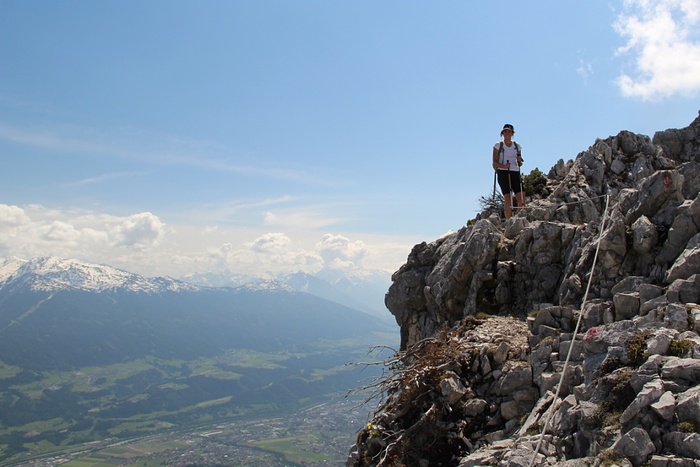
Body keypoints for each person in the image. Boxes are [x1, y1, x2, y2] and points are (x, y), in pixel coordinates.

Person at [492, 123, 525, 219]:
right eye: (505, 131)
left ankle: (517, 218)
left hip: (515, 171)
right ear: (502, 133)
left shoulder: (517, 146)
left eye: (509, 132)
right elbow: (494, 161)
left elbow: (520, 161)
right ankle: (508, 221)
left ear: (512, 133)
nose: (507, 133)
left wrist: (519, 161)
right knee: (507, 197)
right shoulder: (498, 145)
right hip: (503, 172)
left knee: (521, 198)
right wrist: (503, 166)